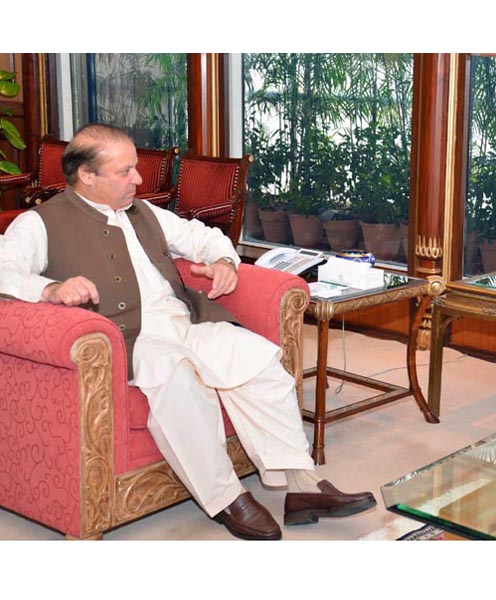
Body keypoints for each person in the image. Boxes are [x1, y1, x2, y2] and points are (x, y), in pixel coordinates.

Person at [0, 124, 376, 540]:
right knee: (174, 375)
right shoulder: (39, 223)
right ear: (86, 175)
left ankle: (302, 488)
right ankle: (227, 498)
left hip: (186, 321)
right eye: (125, 172)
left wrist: (223, 263)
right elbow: (4, 270)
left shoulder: (144, 212)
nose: (139, 180)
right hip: (129, 341)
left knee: (259, 360)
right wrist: (50, 288)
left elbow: (203, 236)